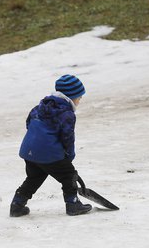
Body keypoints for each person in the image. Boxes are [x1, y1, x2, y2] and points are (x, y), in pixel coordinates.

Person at [10, 74, 92, 217]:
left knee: (34, 177)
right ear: (71, 97)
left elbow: (29, 123)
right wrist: (69, 155)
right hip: (48, 153)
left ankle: (17, 205)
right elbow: (67, 137)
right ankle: (73, 204)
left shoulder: (39, 107)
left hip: (29, 150)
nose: (80, 100)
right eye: (79, 97)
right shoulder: (66, 114)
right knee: (68, 175)